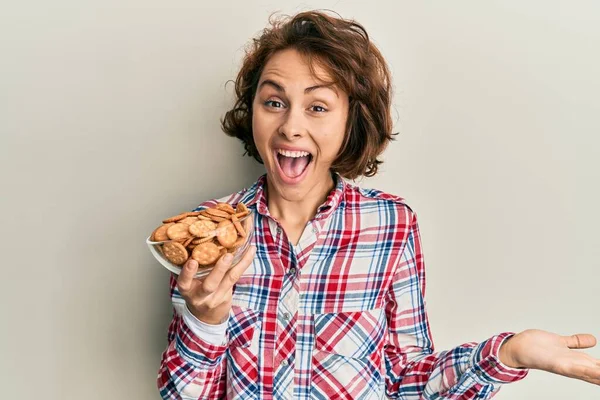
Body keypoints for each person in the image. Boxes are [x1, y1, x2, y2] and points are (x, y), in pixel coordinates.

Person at [157, 10, 600, 399]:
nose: (290, 125)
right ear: (252, 109)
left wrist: (508, 353)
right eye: (274, 101)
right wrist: (205, 321)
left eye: (317, 107)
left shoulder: (392, 224)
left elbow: (410, 381)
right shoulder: (206, 232)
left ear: (352, 120)